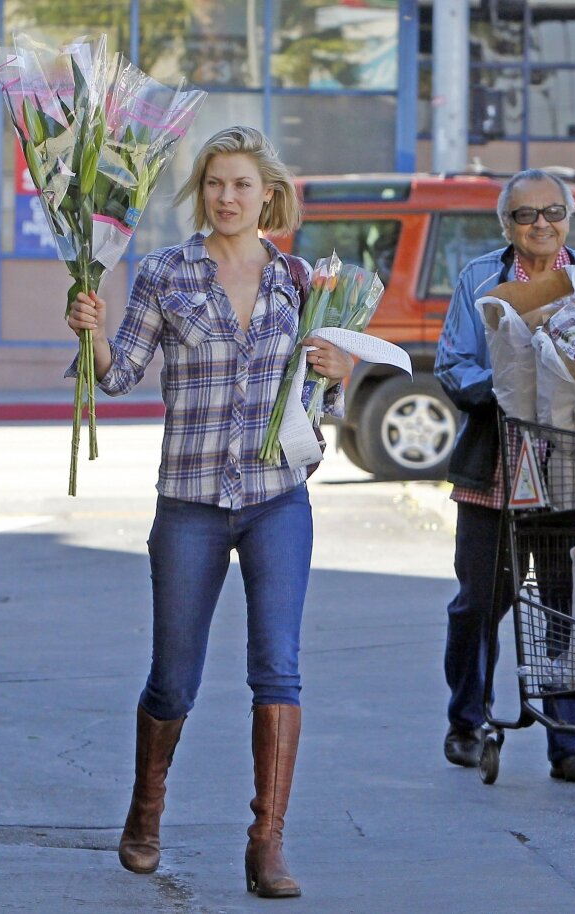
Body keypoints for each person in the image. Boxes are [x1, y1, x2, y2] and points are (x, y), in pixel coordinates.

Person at [67, 126, 353, 898]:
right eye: (216, 184)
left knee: (278, 669)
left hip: (277, 499)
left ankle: (267, 846)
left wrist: (340, 367)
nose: (227, 197)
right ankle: (146, 812)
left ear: (268, 196)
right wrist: (90, 331)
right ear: (203, 192)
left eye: (242, 185)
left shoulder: (300, 280)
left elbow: (318, 389)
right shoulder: (166, 272)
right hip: (190, 503)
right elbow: (119, 374)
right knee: (173, 680)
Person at [434, 168, 575, 780]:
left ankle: (572, 738)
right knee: (480, 602)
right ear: (506, 224)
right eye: (525, 215)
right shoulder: (481, 277)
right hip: (495, 465)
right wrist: (515, 388)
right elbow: (453, 368)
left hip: (572, 471)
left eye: (552, 213)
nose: (540, 225)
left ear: (568, 218)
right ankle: (468, 720)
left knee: (570, 600)